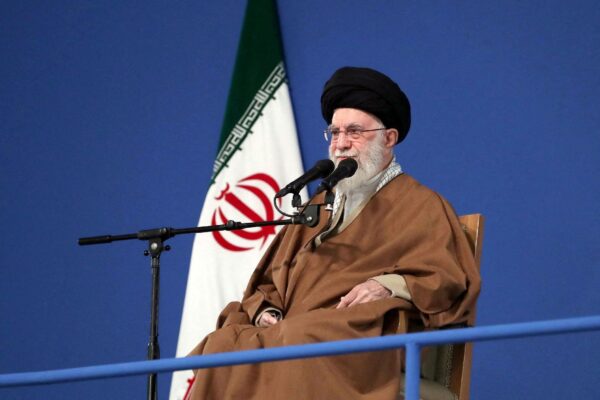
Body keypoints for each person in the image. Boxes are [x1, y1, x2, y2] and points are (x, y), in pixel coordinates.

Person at [186, 66, 481, 399]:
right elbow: (270, 279)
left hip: (360, 338)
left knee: (301, 337)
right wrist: (267, 311)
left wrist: (387, 285)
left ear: (389, 138)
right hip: (294, 328)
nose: (341, 144)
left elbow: (446, 277)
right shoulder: (318, 204)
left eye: (354, 132)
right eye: (335, 132)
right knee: (224, 342)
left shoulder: (421, 203)